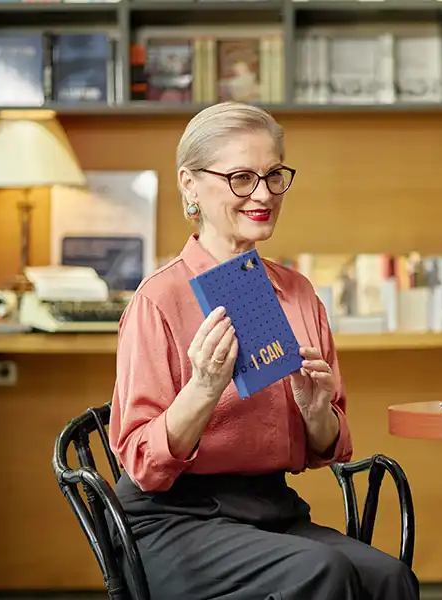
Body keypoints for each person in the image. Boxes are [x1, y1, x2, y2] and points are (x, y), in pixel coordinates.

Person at [109, 102, 419, 600]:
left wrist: (316, 413)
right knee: (322, 571)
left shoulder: (297, 294)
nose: (263, 194)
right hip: (172, 519)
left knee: (389, 577)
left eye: (274, 175)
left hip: (271, 508)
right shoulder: (157, 300)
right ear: (190, 185)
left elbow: (330, 447)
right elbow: (142, 463)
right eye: (241, 178)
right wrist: (203, 389)